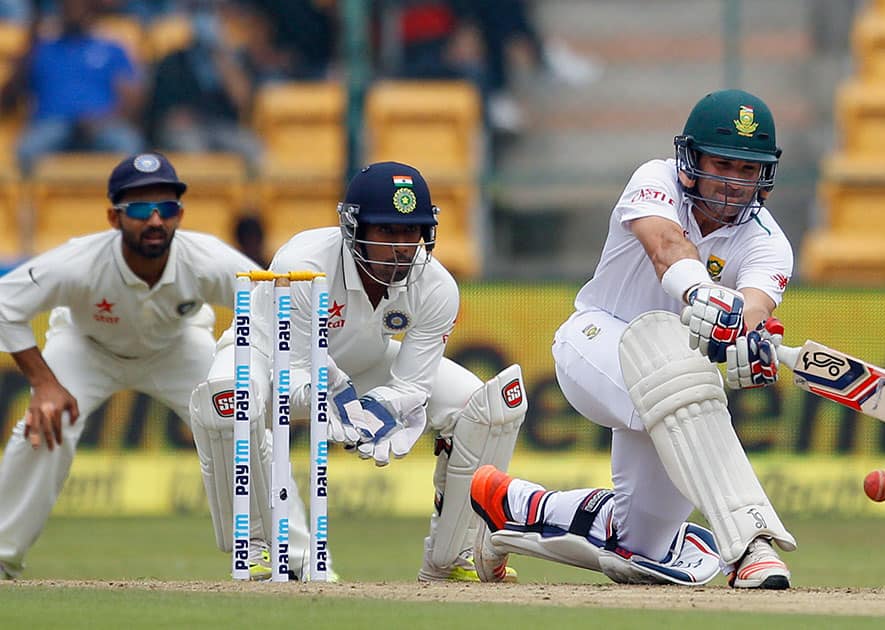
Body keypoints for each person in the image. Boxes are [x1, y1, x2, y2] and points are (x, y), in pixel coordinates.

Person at [469, 89, 797, 589]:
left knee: (639, 553)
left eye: (747, 171)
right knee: (688, 379)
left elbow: (754, 306)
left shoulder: (769, 243)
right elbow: (667, 247)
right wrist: (706, 296)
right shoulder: (655, 178)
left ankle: (511, 506)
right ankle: (751, 543)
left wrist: (748, 338)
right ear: (691, 161)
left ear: (764, 177)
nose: (733, 184)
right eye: (722, 165)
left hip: (677, 398)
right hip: (596, 342)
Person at [189, 161, 526, 582]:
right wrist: (337, 400)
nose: (404, 247)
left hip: (364, 364)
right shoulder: (303, 262)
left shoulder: (436, 286)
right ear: (353, 228)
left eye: (412, 231)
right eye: (387, 231)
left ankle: (453, 556)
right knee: (227, 398)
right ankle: (265, 549)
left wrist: (378, 407)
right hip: (267, 358)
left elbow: (412, 383)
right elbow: (291, 372)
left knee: (488, 407)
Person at [0, 152, 263, 580]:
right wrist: (43, 383)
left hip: (178, 347)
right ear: (113, 216)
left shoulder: (207, 257)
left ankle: (288, 556)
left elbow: (272, 302)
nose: (155, 220)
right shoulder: (77, 261)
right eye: (140, 208)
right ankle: (2, 553)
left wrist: (243, 361)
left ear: (180, 214)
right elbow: (4, 304)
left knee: (239, 421)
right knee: (45, 425)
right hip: (86, 347)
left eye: (168, 208)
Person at [4, 0, 144, 174]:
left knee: (129, 146)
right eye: (68, 7)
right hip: (52, 123)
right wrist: (30, 45)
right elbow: (10, 95)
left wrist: (105, 119)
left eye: (80, 7)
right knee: (26, 151)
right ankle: (26, 201)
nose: (74, 12)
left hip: (101, 124)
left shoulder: (111, 48)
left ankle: (127, 199)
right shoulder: (42, 48)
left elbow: (132, 98)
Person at [144, 0, 263, 171]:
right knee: (191, 147)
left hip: (220, 127)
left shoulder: (233, 60)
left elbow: (242, 101)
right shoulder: (173, 61)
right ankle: (199, 197)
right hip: (186, 130)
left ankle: (251, 197)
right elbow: (162, 112)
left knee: (251, 146)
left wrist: (220, 56)